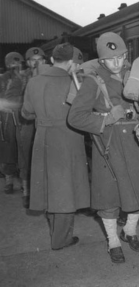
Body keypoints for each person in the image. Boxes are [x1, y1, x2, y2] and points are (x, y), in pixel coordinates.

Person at [68, 32, 139, 264]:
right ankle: (113, 241)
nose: (116, 64)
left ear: (126, 55)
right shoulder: (94, 81)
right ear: (101, 61)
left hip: (135, 145)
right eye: (110, 59)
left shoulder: (134, 77)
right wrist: (105, 119)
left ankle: (130, 231)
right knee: (109, 197)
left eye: (121, 57)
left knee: (137, 192)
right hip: (108, 146)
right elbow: (75, 117)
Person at [21, 43, 90, 250]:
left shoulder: (33, 82)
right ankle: (61, 239)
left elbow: (25, 113)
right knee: (66, 189)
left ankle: (56, 232)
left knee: (50, 186)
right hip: (68, 138)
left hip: (42, 138)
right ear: (70, 63)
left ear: (52, 60)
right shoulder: (75, 83)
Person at [17, 47, 48, 208]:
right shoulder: (22, 78)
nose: (37, 63)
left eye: (40, 59)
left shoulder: (49, 76)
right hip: (28, 121)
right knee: (26, 152)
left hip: (44, 120)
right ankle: (26, 190)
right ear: (28, 62)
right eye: (33, 60)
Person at [0, 52, 24, 194]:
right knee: (8, 149)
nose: (14, 66)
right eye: (12, 64)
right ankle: (8, 180)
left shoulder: (27, 77)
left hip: (23, 117)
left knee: (22, 150)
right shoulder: (2, 79)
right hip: (7, 118)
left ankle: (23, 181)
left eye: (17, 63)